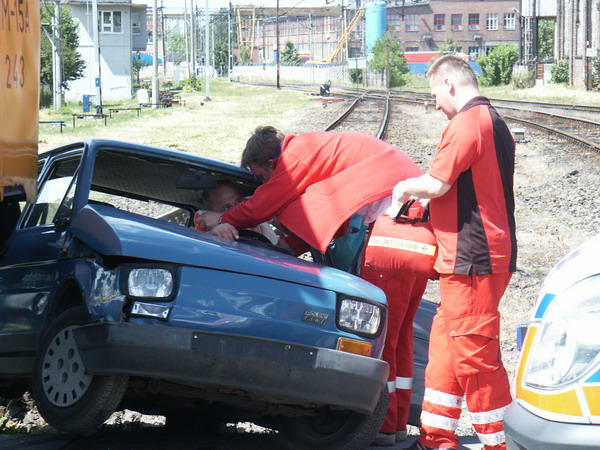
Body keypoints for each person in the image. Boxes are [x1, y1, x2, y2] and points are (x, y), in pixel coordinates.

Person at [199, 127, 429, 446]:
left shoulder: (295, 155)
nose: (263, 183)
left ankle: (384, 426)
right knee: (400, 336)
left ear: (271, 160)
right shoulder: (320, 152)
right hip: (415, 229)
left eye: (260, 175)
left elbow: (267, 202)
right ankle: (396, 424)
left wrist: (229, 220)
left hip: (391, 234)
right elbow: (315, 219)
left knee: (383, 337)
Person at [392, 55, 517, 450]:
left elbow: (437, 183)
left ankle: (500, 443)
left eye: (433, 94)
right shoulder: (492, 121)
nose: (434, 104)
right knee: (448, 348)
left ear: (448, 83)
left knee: (475, 356)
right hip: (474, 257)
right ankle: (436, 436)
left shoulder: (466, 123)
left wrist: (403, 190)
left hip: (473, 259)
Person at [199, 179, 279, 245]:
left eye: (238, 202)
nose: (236, 209)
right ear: (212, 213)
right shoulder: (212, 234)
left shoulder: (259, 225)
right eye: (227, 207)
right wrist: (213, 236)